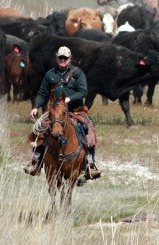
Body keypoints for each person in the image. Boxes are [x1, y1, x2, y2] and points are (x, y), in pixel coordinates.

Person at [24, 46, 101, 180]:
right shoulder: (50, 74)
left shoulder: (78, 73)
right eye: (61, 58)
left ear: (70, 59)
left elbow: (83, 91)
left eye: (65, 58)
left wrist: (69, 98)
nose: (63, 60)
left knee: (88, 129)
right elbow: (42, 93)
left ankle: (90, 163)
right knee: (40, 129)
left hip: (75, 111)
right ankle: (35, 161)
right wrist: (36, 107)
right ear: (57, 58)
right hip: (55, 112)